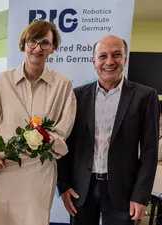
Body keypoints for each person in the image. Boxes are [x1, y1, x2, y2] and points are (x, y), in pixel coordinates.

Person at [0, 20, 77, 225]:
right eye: (32, 41)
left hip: (39, 172)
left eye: (45, 43)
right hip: (4, 168)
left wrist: (43, 139)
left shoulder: (63, 85)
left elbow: (62, 129)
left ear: (53, 48)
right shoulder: (2, 81)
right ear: (23, 44)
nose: (37, 48)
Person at [57, 35, 160, 225]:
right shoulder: (76, 96)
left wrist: (141, 195)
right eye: (103, 56)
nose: (110, 61)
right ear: (94, 61)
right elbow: (64, 144)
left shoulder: (145, 96)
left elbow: (149, 151)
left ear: (125, 59)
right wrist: (63, 185)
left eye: (116, 55)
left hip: (124, 191)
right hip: (81, 190)